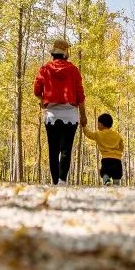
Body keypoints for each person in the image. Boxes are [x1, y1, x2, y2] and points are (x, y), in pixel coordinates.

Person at [33, 38, 86, 185]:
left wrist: (42, 101)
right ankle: (63, 181)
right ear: (65, 54)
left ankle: (55, 182)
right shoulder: (73, 70)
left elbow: (36, 90)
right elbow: (80, 95)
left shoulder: (45, 69)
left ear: (53, 54)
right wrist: (83, 115)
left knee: (53, 149)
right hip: (70, 114)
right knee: (66, 149)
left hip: (52, 115)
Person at [83, 113, 124, 185]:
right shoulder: (117, 135)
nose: (97, 125)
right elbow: (121, 145)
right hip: (117, 160)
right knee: (117, 175)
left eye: (98, 123)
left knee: (105, 172)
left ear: (101, 124)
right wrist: (119, 152)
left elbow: (89, 134)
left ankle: (107, 180)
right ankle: (116, 185)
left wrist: (84, 127)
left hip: (106, 159)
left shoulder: (98, 134)